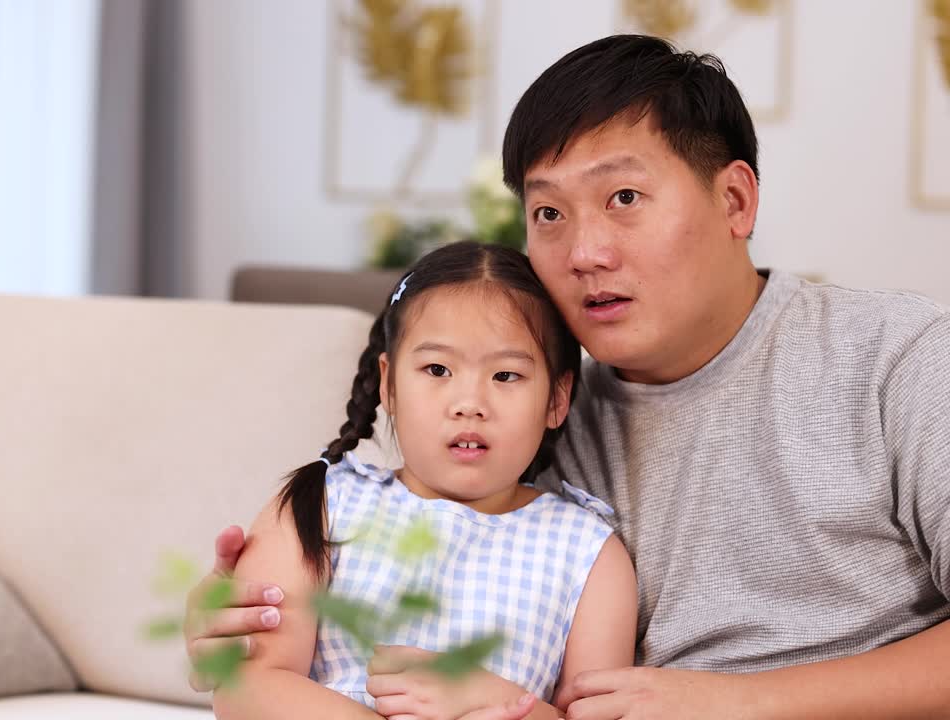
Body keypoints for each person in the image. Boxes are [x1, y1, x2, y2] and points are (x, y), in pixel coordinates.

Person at [189, 34, 950, 719]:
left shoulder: (900, 358)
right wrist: (239, 631)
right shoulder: (535, 415)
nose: (584, 252)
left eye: (624, 198)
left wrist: (746, 702)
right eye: (549, 213)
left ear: (735, 200)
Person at [209, 241, 637, 720]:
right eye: (437, 369)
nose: (469, 402)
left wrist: (494, 699)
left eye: (506, 375)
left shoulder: (587, 554)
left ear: (557, 398)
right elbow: (248, 684)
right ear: (389, 384)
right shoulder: (321, 504)